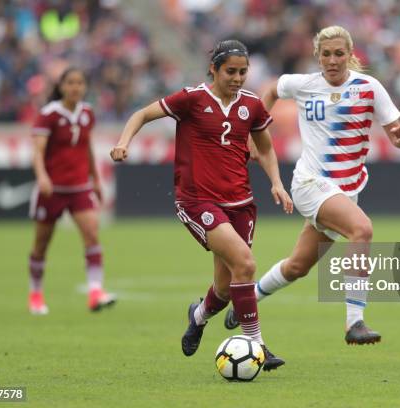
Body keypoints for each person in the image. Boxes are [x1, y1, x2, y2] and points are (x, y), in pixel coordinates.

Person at [110, 40, 293, 370]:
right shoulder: (192, 99)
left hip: (242, 203)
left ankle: (198, 316)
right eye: (230, 72)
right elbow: (142, 114)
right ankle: (258, 346)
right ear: (214, 69)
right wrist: (123, 142)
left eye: (242, 72)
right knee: (246, 264)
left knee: (225, 286)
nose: (237, 78)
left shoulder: (251, 105)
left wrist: (277, 183)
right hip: (197, 201)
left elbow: (264, 149)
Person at [224, 25, 400, 344]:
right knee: (362, 230)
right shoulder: (303, 85)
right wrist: (255, 134)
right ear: (317, 56)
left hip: (345, 192)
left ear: (350, 56)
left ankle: (247, 300)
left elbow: (398, 132)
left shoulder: (369, 87)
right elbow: (269, 90)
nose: (333, 60)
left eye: (339, 53)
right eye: (326, 54)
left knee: (298, 266)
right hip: (310, 183)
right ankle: (355, 323)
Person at [29, 67, 116, 315]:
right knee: (41, 245)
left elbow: (87, 148)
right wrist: (42, 177)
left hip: (79, 187)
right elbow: (37, 151)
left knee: (91, 234)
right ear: (62, 86)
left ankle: (95, 292)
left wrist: (96, 180)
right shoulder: (49, 115)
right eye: (71, 83)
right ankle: (36, 294)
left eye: (80, 83)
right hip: (52, 189)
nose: (75, 87)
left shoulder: (87, 113)